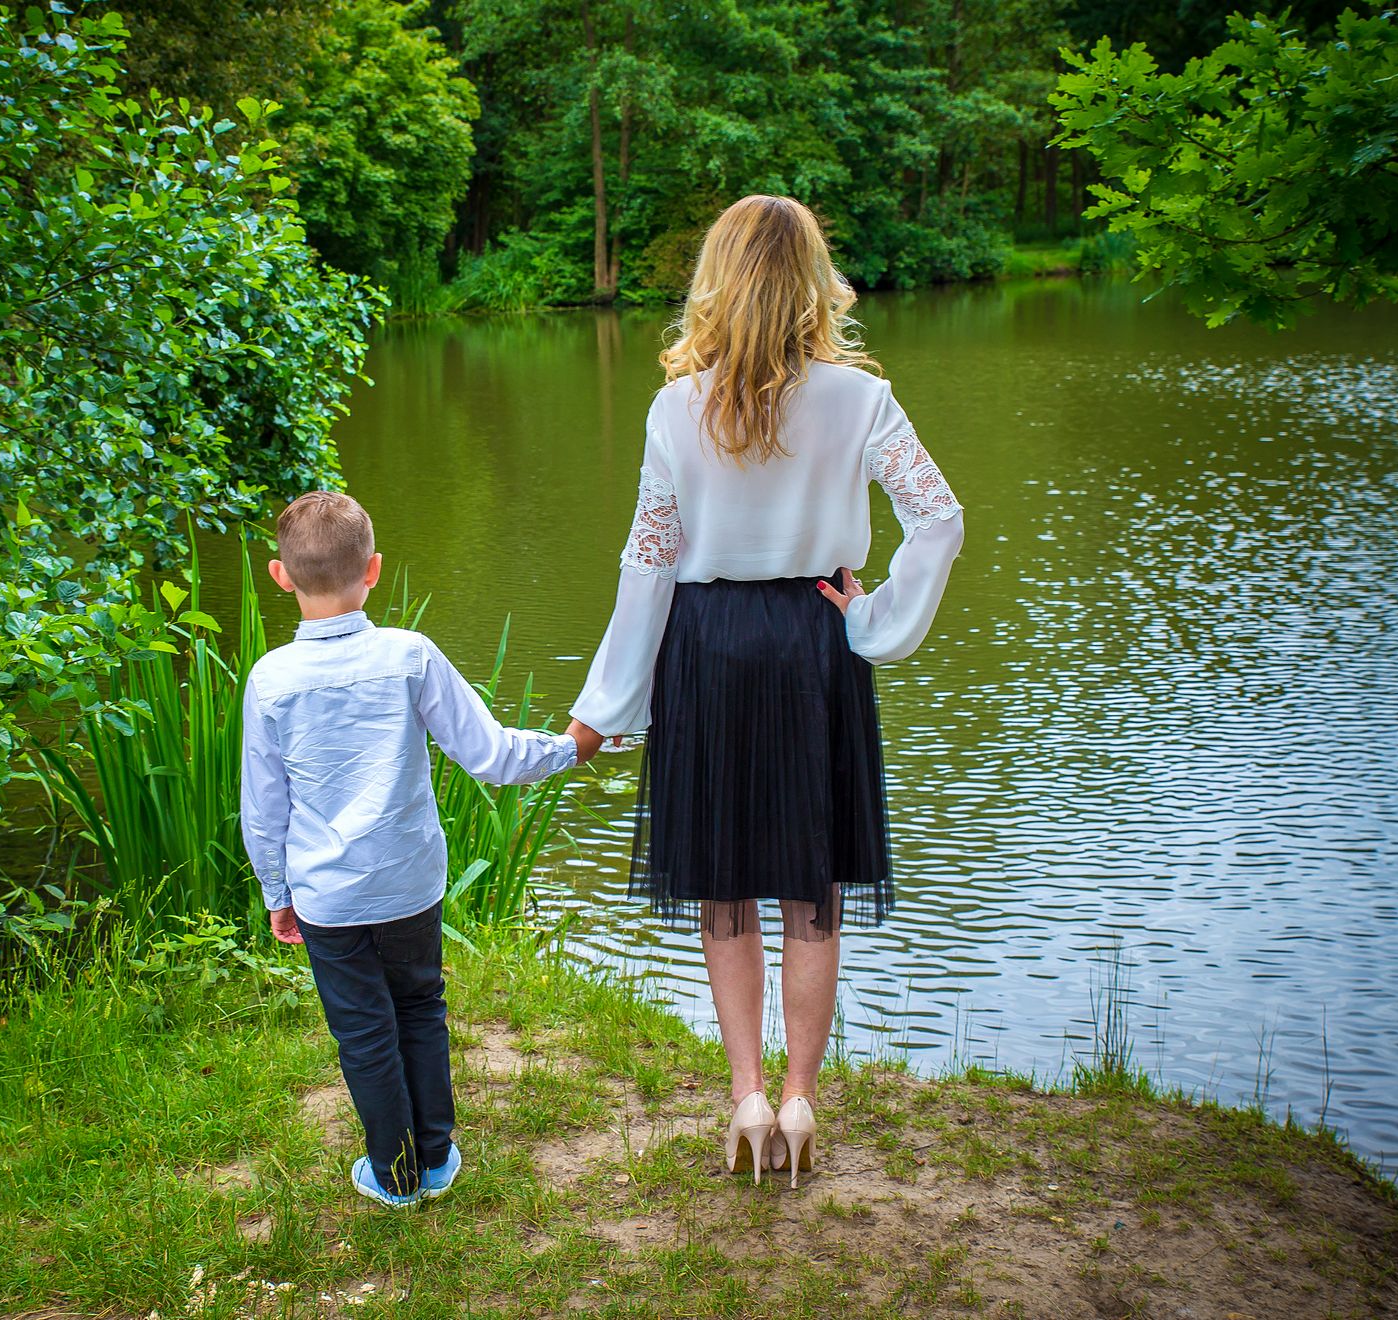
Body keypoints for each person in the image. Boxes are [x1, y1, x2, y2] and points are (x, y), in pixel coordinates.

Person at [565, 196, 965, 1190]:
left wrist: (607, 706)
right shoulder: (860, 399)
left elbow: (649, 563)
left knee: (726, 885)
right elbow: (939, 518)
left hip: (707, 645)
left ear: (720, 281)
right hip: (813, 641)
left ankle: (744, 1096)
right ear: (811, 285)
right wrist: (875, 622)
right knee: (810, 889)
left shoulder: (675, 407)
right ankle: (798, 1098)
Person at [241, 491, 598, 1208]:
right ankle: (434, 1156)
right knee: (419, 1006)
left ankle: (394, 1175)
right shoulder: (409, 656)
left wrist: (278, 893)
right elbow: (490, 754)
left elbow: (265, 805)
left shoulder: (270, 679)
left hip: (327, 895)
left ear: (280, 577)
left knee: (362, 1030)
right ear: (372, 569)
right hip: (409, 882)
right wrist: (570, 748)